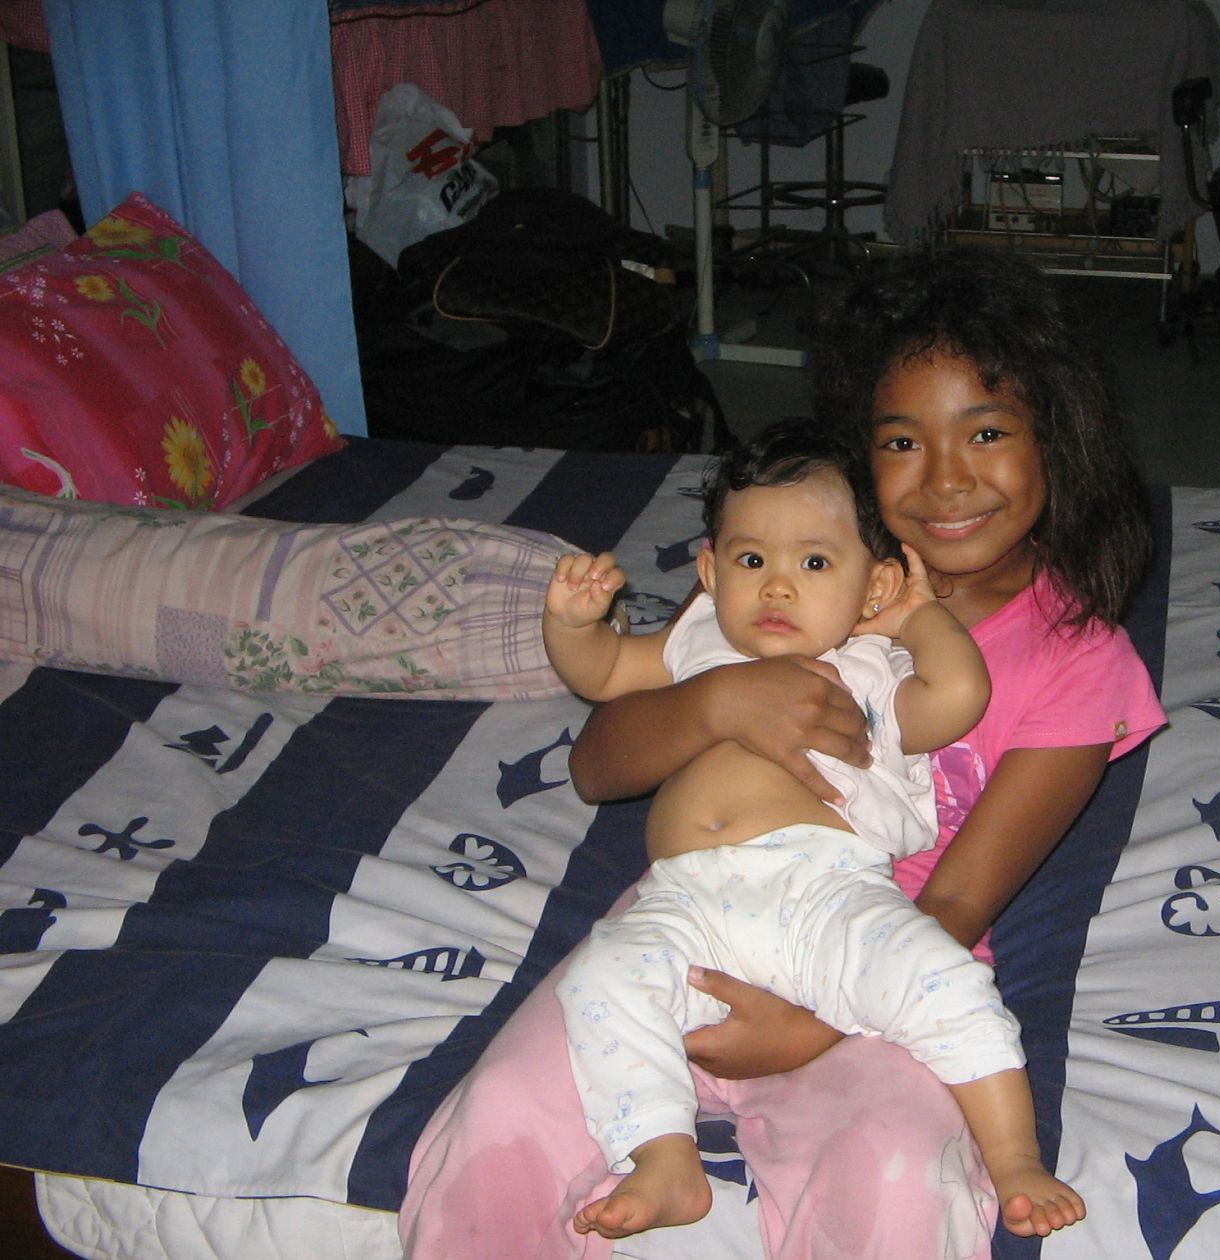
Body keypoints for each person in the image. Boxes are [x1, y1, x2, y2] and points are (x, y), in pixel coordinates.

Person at [398, 248, 1166, 1259]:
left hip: (878, 956)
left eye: (986, 432)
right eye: (902, 442)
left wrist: (809, 1026)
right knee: (497, 1123)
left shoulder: (1081, 662)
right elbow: (598, 768)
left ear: (1057, 440)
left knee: (895, 1181)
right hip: (695, 910)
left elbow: (958, 900)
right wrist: (717, 702)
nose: (946, 478)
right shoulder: (784, 567)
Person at [540, 420, 1085, 1241]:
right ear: (709, 571)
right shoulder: (699, 638)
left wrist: (917, 619)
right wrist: (575, 625)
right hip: (686, 898)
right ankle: (661, 1156)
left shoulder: (870, 667)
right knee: (601, 977)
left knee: (942, 982)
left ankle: (1014, 1157)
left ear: (873, 588)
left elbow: (958, 698)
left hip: (824, 894)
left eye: (816, 564)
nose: (778, 588)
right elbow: (608, 672)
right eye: (751, 561)